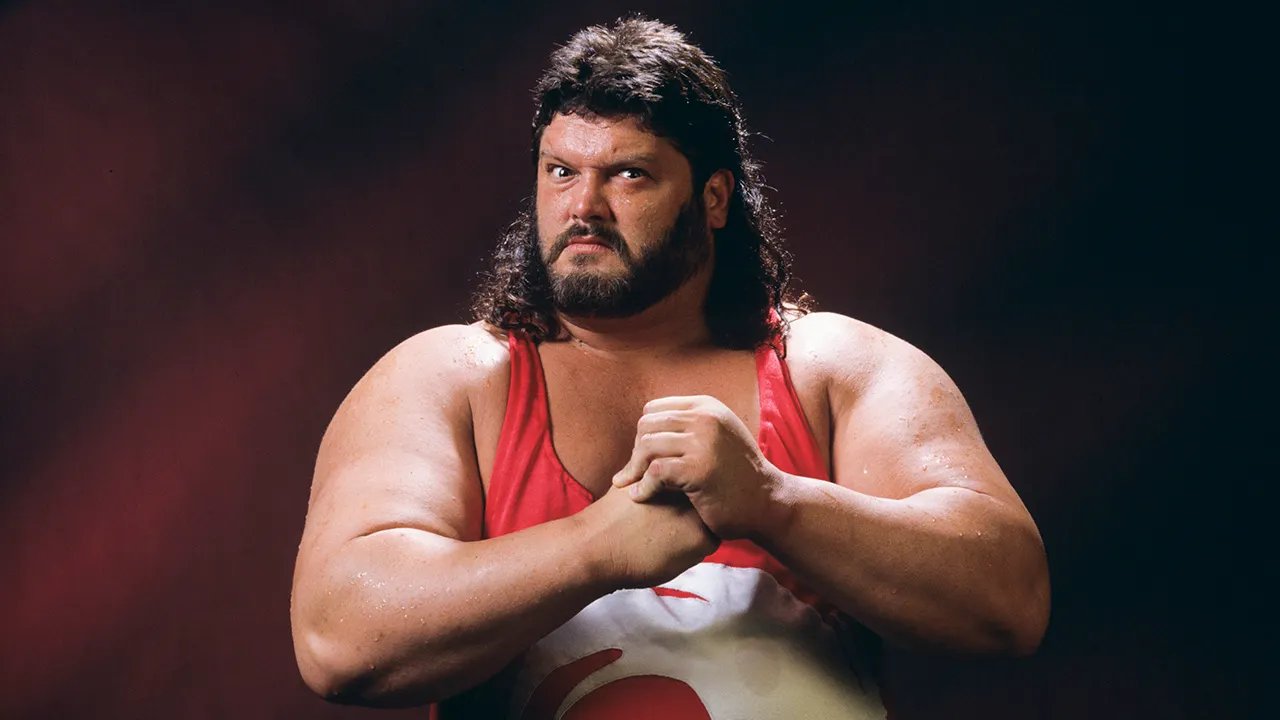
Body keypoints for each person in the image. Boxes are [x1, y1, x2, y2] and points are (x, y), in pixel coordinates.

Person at [290, 17, 1050, 719]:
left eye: (628, 175)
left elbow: (1010, 602)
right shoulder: (451, 378)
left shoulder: (832, 371)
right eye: (561, 172)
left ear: (714, 198)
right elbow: (339, 641)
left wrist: (773, 502)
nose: (584, 207)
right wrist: (594, 547)